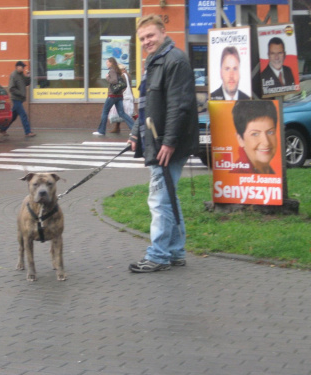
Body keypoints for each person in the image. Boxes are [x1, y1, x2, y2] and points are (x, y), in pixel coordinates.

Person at [128, 14, 199, 273]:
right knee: (168, 196)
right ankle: (176, 251)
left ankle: (158, 256)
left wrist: (168, 143)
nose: (147, 41)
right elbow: (148, 104)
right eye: (143, 38)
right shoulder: (154, 61)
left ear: (163, 32)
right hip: (158, 140)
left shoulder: (175, 60)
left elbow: (179, 106)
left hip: (169, 144)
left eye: (150, 36)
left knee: (158, 200)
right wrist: (136, 133)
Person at [230, 101, 278, 174]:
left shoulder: (268, 171)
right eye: (255, 134)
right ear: (240, 140)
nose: (266, 142)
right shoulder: (237, 176)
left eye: (270, 132)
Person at [92, 57, 134, 136]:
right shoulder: (118, 71)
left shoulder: (112, 70)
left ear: (111, 62)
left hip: (112, 95)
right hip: (119, 96)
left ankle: (101, 131)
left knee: (105, 112)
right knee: (122, 113)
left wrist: (107, 78)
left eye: (107, 62)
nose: (106, 64)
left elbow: (114, 81)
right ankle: (134, 129)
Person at [0, 61, 36, 137]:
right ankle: (28, 132)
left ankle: (3, 128)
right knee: (23, 115)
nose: (23, 68)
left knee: (13, 116)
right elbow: (11, 88)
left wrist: (28, 77)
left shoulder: (21, 74)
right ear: (18, 67)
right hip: (16, 98)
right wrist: (20, 93)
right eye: (22, 67)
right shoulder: (13, 75)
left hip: (20, 99)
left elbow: (27, 83)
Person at [108, 64, 135, 133]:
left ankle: (135, 128)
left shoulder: (123, 75)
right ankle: (117, 128)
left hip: (124, 96)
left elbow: (121, 86)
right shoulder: (127, 75)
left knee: (126, 113)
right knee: (121, 111)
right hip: (127, 95)